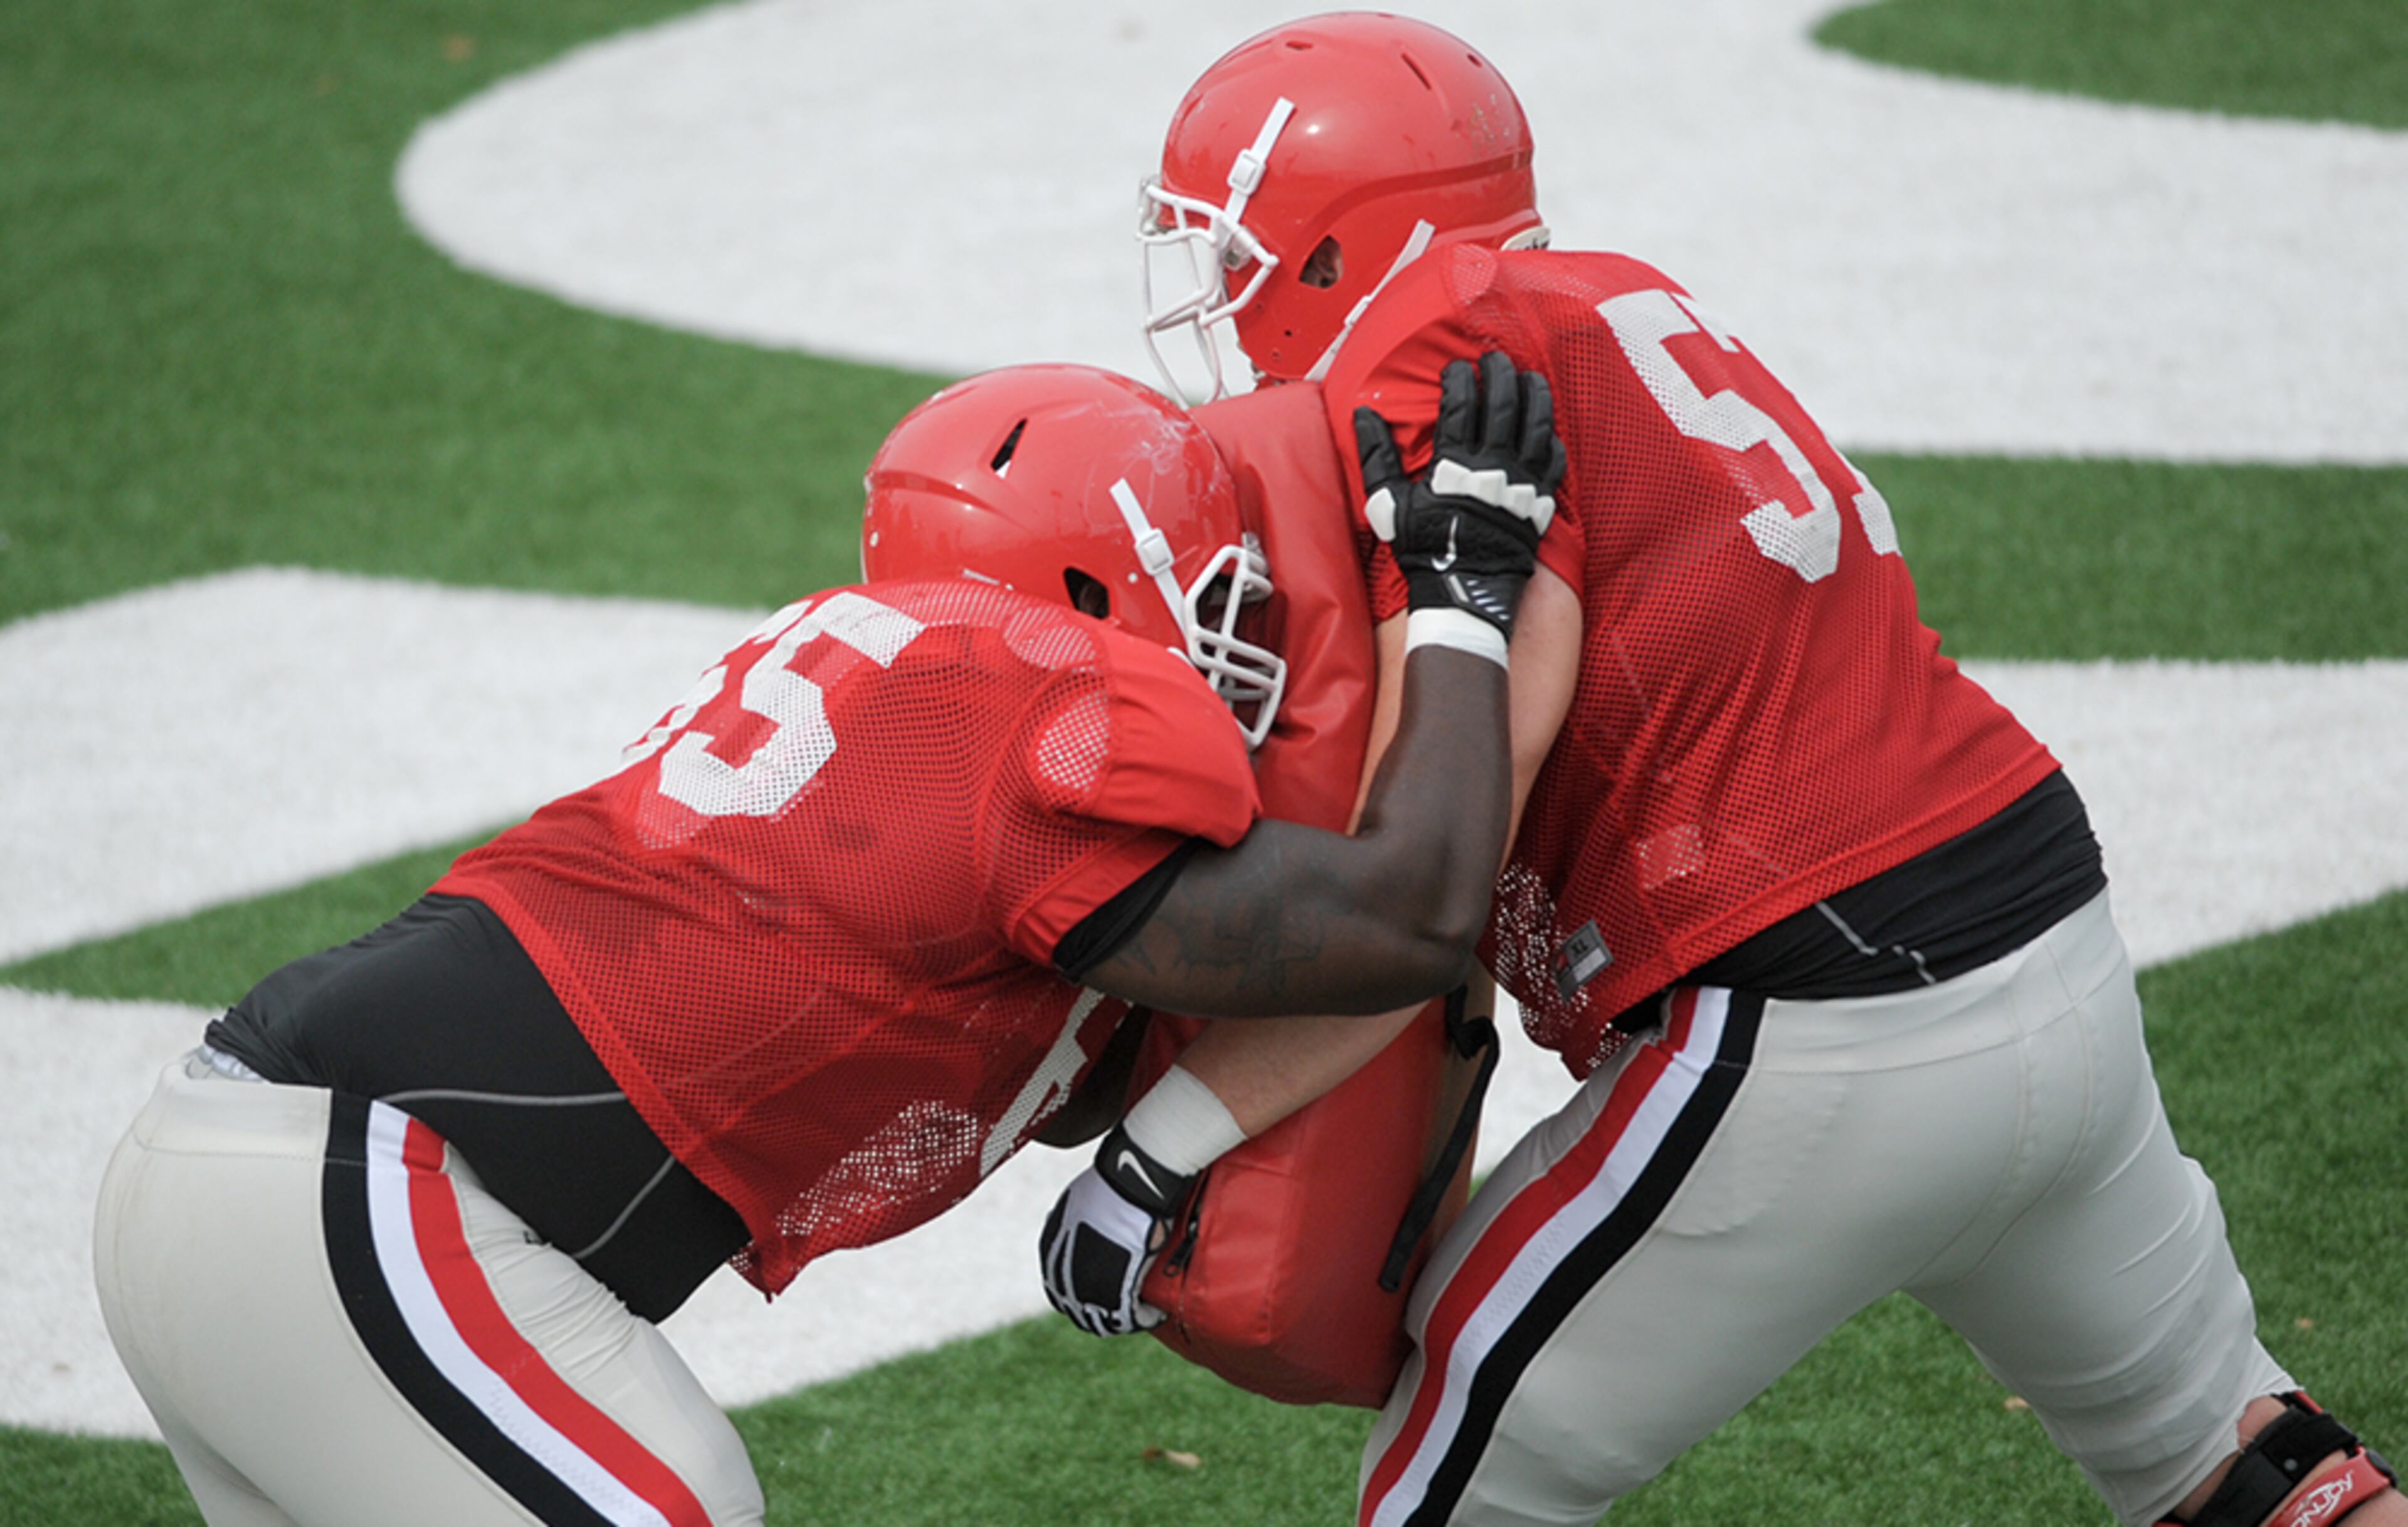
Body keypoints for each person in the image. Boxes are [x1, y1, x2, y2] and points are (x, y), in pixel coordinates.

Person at [1041, 14, 2404, 1527]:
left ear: (1321, 249)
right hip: (2049, 944)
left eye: (1230, 252)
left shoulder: (1432, 356)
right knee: (2244, 1470)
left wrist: (1166, 1144)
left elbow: (1446, 844)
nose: (1220, 298)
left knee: (1453, 1484)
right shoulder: (1618, 296)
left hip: (1811, 1023)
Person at [90, 357, 1564, 1527]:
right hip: (361, 1205)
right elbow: (1409, 915)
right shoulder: (1027, 703)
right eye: (1221, 592)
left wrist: (1168, 1136)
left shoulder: (905, 730)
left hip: (245, 1190)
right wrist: (1464, 594)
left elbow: (1187, 1020)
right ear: (1086, 590)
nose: (1243, 637)